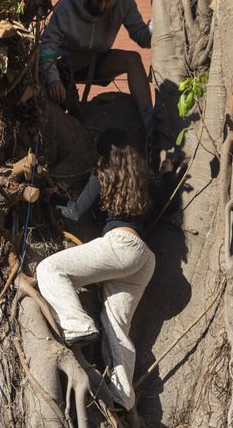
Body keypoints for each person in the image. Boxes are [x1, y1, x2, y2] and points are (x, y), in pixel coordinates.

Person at [36, 129, 155, 411]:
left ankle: (77, 323)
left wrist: (53, 197)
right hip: (145, 257)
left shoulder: (102, 175)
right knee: (116, 326)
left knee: (50, 268)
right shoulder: (144, 179)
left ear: (103, 153)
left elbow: (77, 211)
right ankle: (123, 397)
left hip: (120, 245)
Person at [40, 0, 153, 133]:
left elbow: (142, 37)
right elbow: (47, 47)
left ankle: (149, 120)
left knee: (133, 59)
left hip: (95, 62)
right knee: (62, 104)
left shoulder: (123, 0)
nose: (102, 6)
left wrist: (156, 25)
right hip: (64, 68)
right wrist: (53, 78)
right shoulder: (67, 6)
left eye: (108, 0)